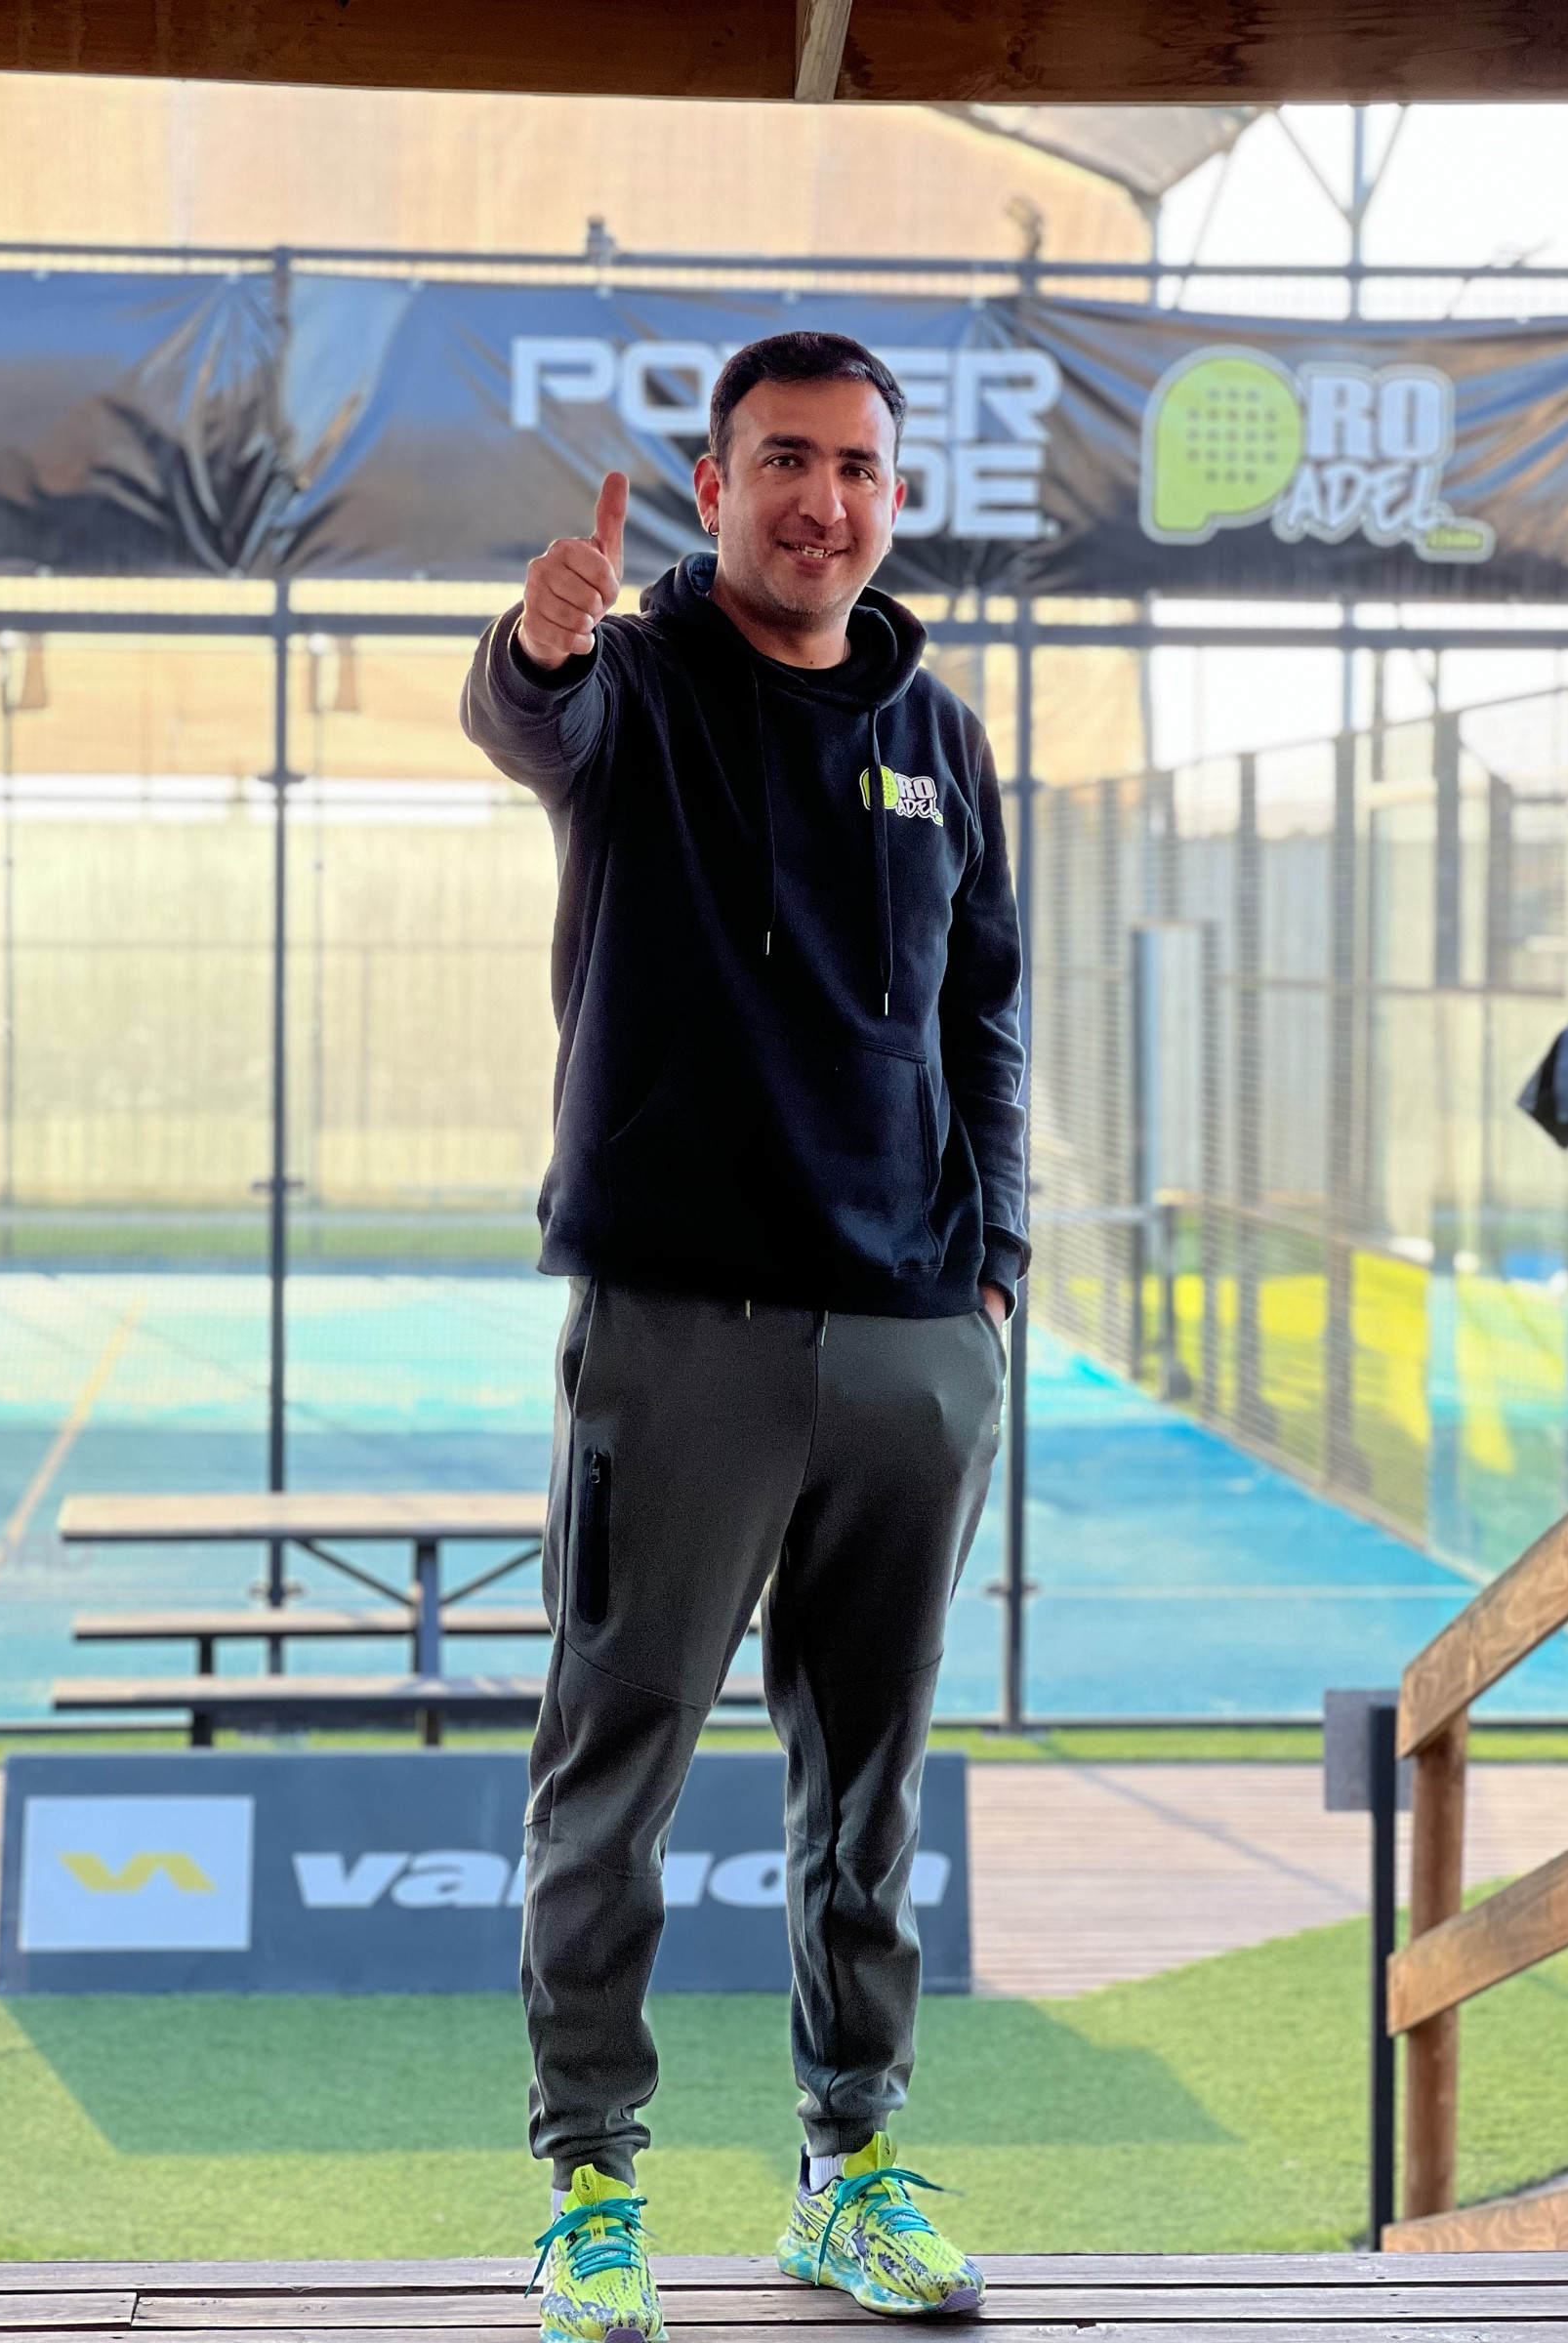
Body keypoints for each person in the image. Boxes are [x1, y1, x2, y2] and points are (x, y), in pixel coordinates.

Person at [463, 331, 1027, 2343]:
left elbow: (987, 1016)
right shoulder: (639, 685)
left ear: (896, 497)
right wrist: (539, 644)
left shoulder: (942, 738)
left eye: (859, 467)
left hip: (912, 1340)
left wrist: (994, 1274)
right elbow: (532, 718)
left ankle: (848, 2170)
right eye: (785, 460)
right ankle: (592, 2195)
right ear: (715, 489)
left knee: (867, 1786)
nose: (825, 501)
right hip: (680, 1326)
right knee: (614, 1765)